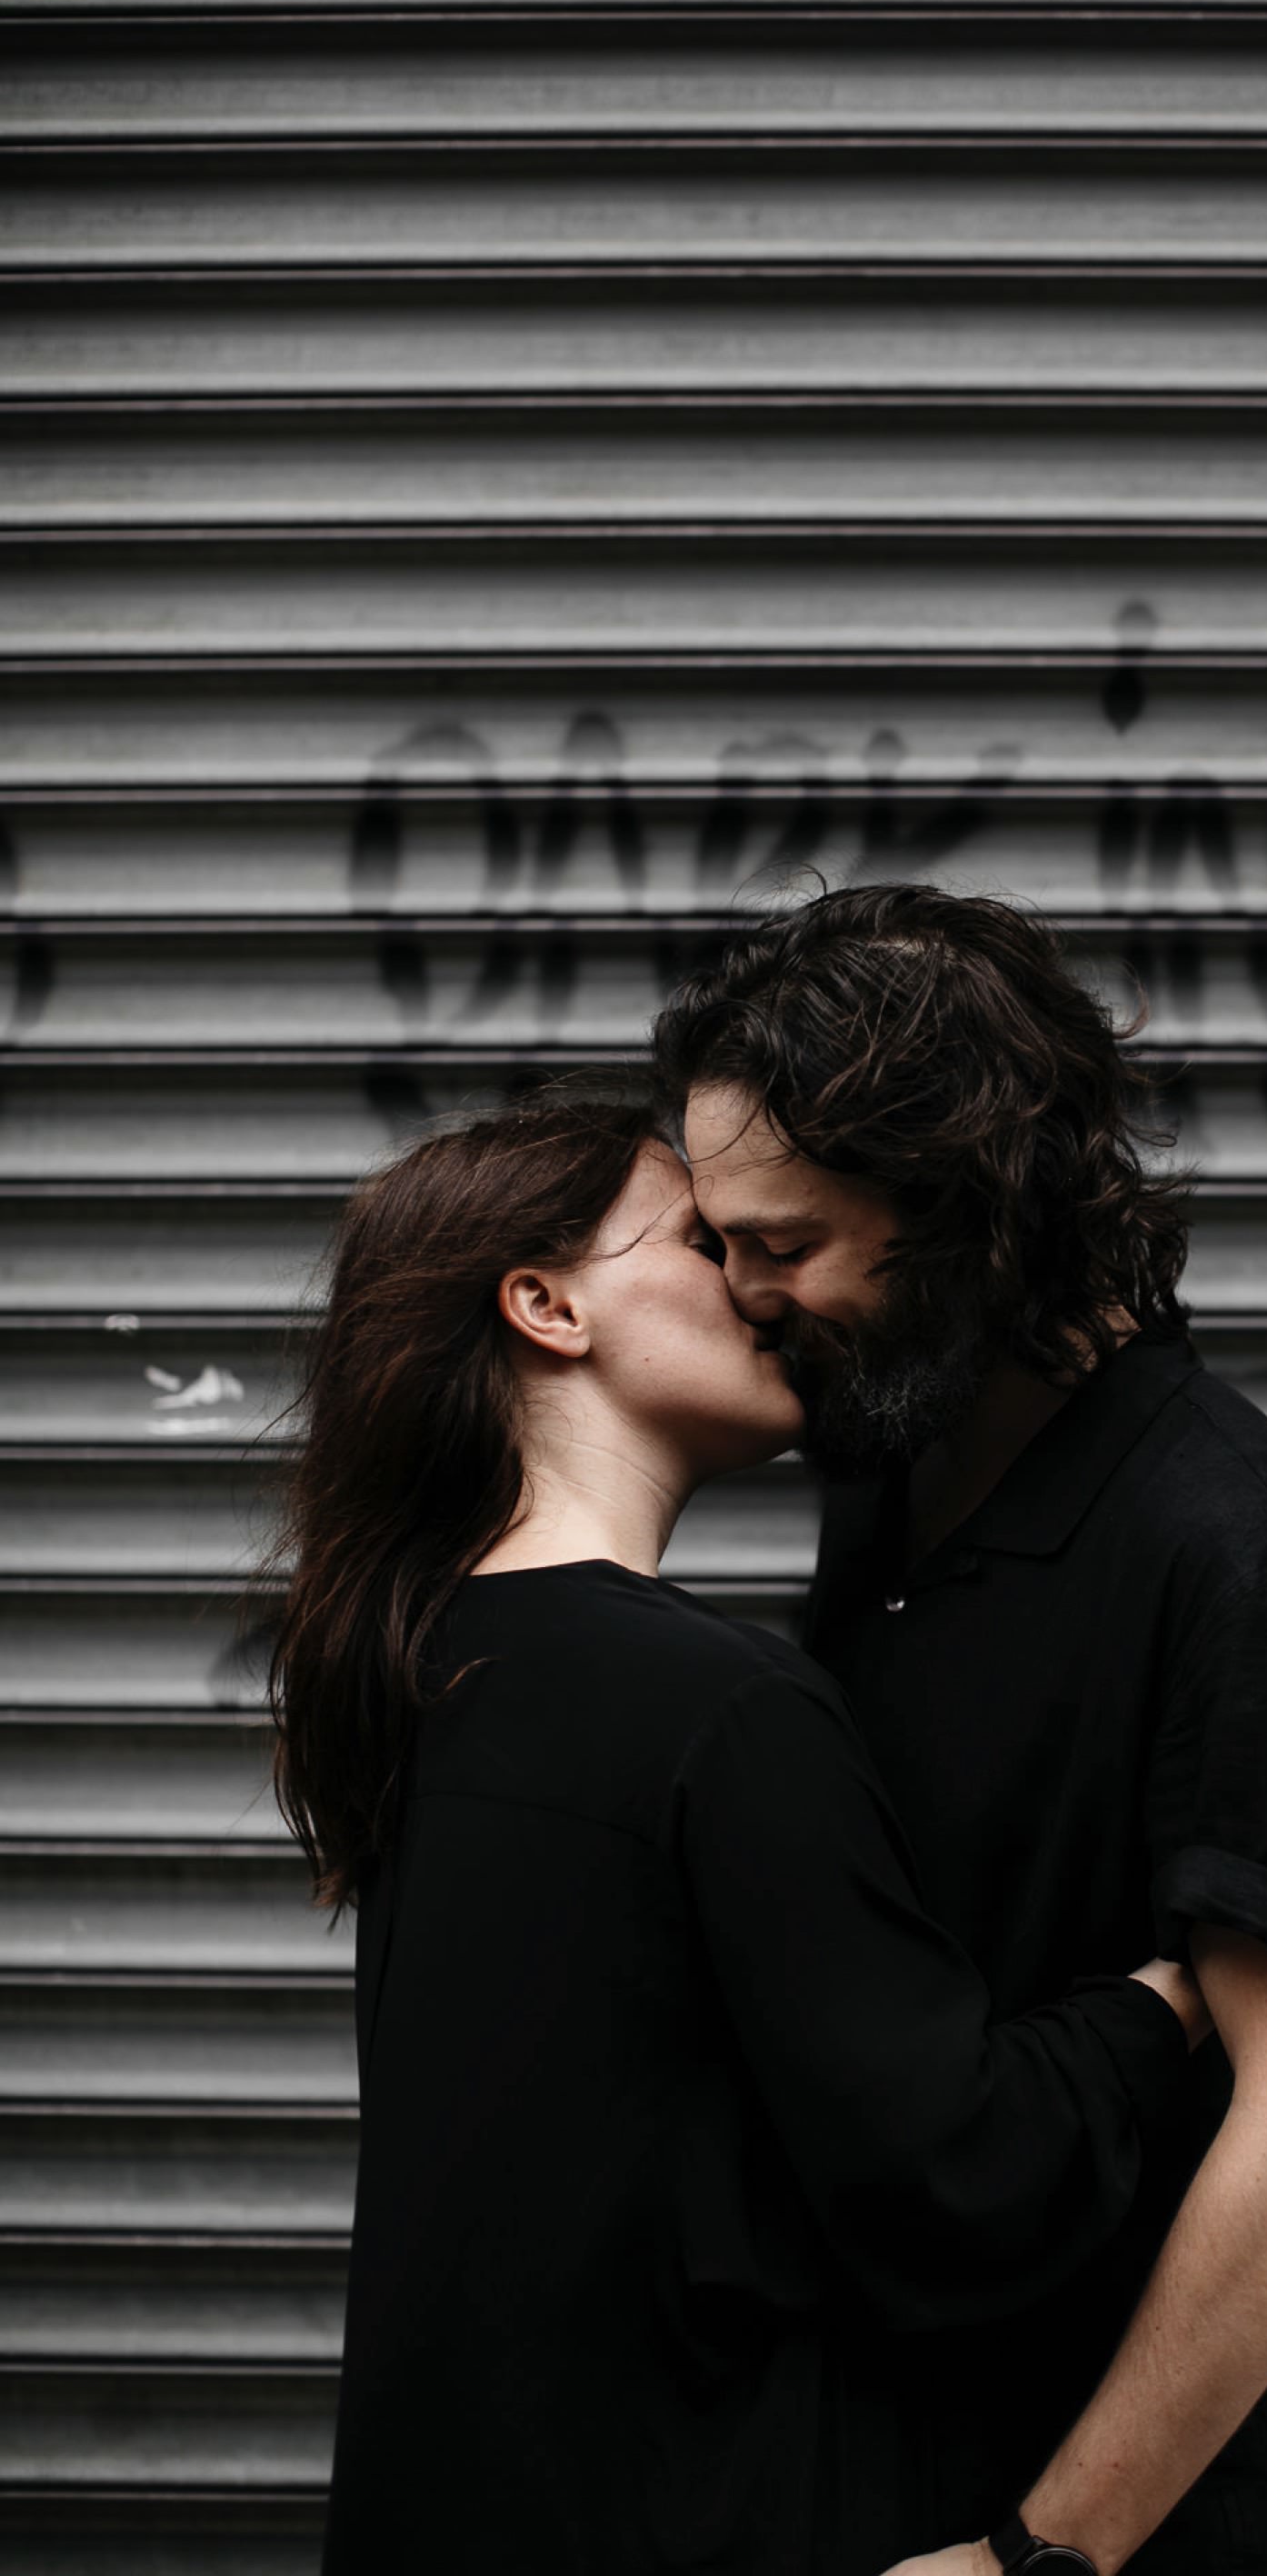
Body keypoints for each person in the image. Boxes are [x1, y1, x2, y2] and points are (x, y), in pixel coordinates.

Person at [274, 1096, 1206, 2576]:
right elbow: (953, 2171)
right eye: (705, 1241)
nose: (762, 1283)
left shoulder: (432, 1664)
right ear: (546, 1305)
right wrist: (1173, 2000)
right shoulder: (714, 1705)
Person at [656, 883, 1267, 2576]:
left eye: (781, 1247)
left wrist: (1043, 2555)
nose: (736, 1297)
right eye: (720, 1242)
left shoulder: (1252, 1566)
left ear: (971, 1219)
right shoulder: (901, 1457)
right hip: (885, 2462)